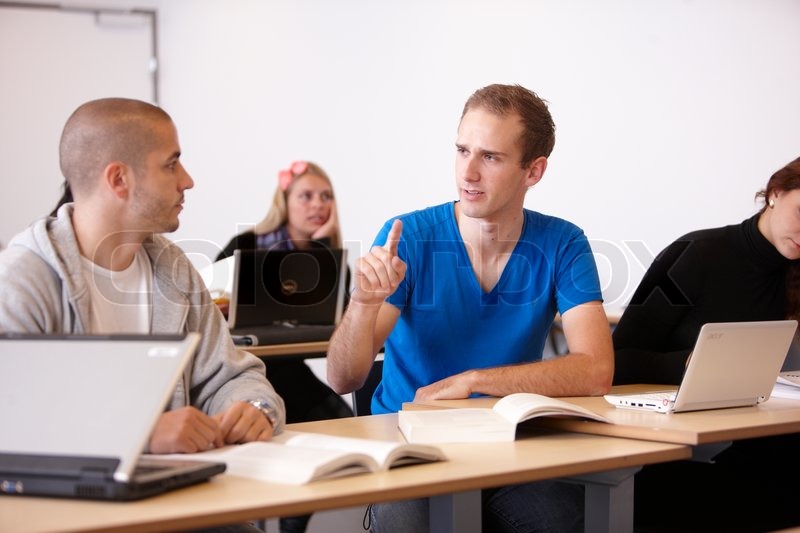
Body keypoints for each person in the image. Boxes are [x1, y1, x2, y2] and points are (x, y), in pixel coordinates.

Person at [326, 83, 614, 533]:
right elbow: (344, 378)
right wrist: (362, 303)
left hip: (506, 446)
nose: (469, 173)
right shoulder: (410, 236)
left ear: (533, 171)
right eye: (462, 150)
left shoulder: (563, 243)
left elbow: (596, 371)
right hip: (410, 449)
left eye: (491, 157)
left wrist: (477, 381)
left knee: (564, 518)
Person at [0, 97, 286, 460]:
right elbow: (11, 421)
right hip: (61, 513)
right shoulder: (22, 281)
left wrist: (254, 407)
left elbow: (231, 376)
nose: (188, 180)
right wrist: (139, 434)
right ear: (119, 179)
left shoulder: (173, 268)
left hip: (175, 499)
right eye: (171, 164)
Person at [612, 156, 800, 532]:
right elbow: (615, 360)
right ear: (775, 193)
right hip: (681, 449)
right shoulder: (695, 254)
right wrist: (684, 365)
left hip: (759, 444)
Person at [216, 160, 353, 533]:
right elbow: (211, 304)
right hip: (246, 373)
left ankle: (295, 516)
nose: (317, 205)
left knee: (349, 429)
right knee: (330, 424)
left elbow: (340, 322)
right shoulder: (246, 246)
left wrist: (325, 247)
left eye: (326, 197)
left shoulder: (331, 257)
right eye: (306, 196)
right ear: (285, 202)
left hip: (289, 370)